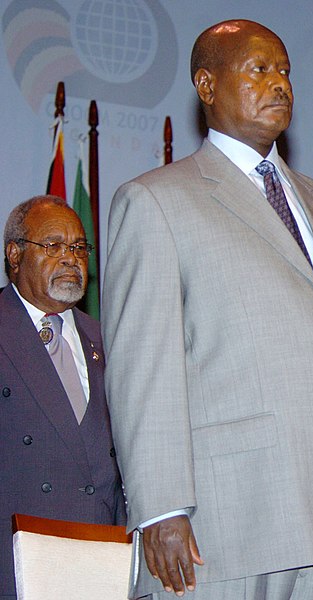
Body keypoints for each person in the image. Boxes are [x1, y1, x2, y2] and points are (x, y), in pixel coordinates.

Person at [101, 20, 313, 600]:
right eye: (259, 69)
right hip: (226, 523)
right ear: (206, 85)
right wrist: (160, 508)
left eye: (285, 70)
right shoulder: (157, 201)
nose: (279, 84)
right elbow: (143, 370)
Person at [0, 195, 125, 599]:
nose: (70, 257)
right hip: (16, 567)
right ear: (14, 255)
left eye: (78, 247)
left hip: (104, 561)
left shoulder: (109, 341)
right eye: (53, 245)